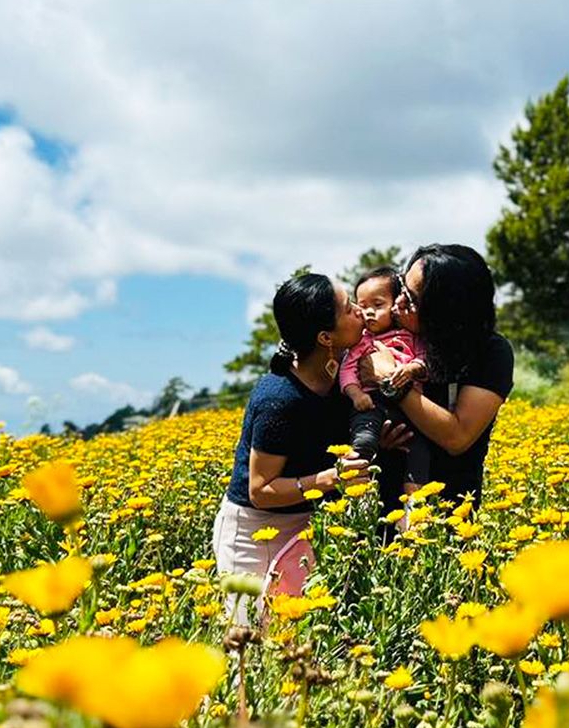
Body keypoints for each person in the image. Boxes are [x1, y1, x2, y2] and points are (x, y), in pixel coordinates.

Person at [213, 273, 402, 620]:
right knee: (254, 637)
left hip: (311, 522)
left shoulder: (344, 376)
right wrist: (332, 478)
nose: (360, 311)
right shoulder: (279, 398)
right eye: (348, 309)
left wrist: (377, 446)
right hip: (256, 531)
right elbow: (261, 490)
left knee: (302, 637)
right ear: (325, 337)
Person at [362, 244, 514, 508]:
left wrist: (391, 382)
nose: (397, 303)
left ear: (443, 311)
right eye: (400, 287)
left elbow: (457, 437)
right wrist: (375, 435)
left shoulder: (490, 352)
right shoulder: (386, 331)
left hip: (451, 513)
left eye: (410, 299)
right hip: (382, 508)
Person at [338, 267, 430, 496]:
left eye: (378, 305)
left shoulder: (411, 336)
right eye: (363, 306)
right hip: (373, 401)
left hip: (410, 406)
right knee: (365, 425)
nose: (369, 312)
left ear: (396, 304)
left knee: (419, 450)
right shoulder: (361, 342)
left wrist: (412, 368)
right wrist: (356, 395)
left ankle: (414, 501)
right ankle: (360, 464)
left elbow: (425, 361)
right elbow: (347, 370)